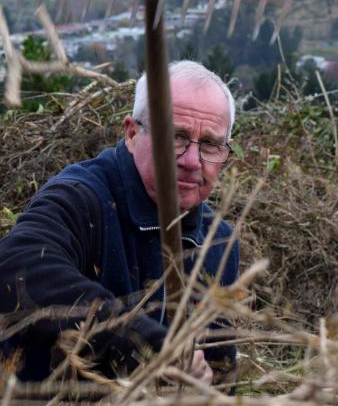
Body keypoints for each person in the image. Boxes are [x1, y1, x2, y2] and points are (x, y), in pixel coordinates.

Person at [0, 60, 239, 386]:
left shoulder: (218, 241)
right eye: (176, 136)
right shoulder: (82, 198)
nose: (191, 161)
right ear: (131, 133)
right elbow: (17, 265)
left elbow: (220, 369)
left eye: (210, 144)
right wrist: (148, 345)